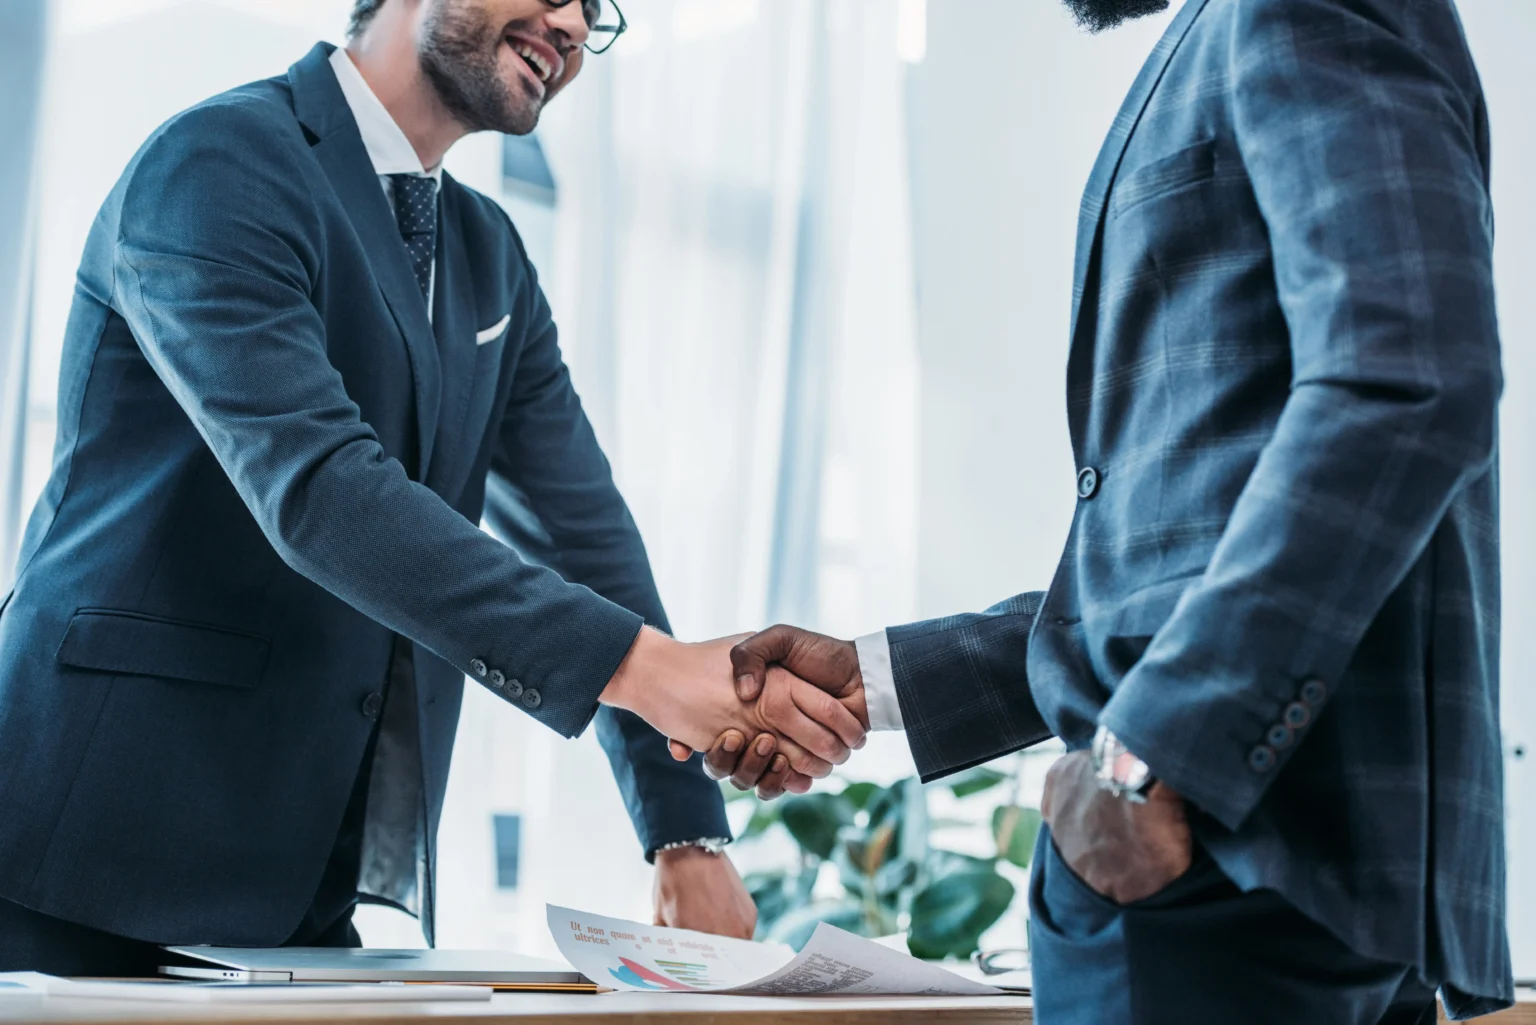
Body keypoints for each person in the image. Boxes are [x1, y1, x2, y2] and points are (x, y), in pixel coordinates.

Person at [0, 0, 862, 975]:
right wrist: (655, 671)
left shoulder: (489, 253)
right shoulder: (216, 163)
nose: (575, 24)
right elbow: (322, 491)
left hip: (296, 877)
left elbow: (584, 531)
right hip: (74, 850)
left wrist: (685, 832)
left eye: (597, 9)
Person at [693, 0, 1510, 1021]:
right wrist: (880, 677)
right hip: (1273, 868)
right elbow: (1184, 560)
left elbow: (1408, 381)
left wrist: (1142, 759)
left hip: (1214, 854)